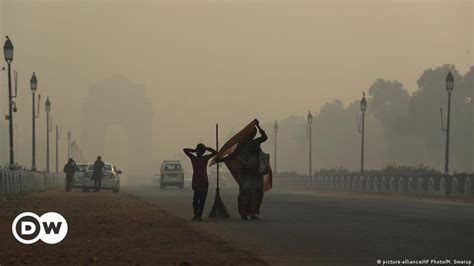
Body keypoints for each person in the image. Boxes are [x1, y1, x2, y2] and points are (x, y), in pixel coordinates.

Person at [223, 119, 267, 220]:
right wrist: (221, 159)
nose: (253, 134)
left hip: (256, 171)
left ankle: (253, 212)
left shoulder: (256, 142)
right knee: (245, 192)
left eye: (254, 133)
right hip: (246, 172)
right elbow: (233, 156)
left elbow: (265, 137)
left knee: (258, 191)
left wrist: (259, 126)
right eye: (252, 132)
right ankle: (243, 212)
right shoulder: (241, 145)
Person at [183, 143, 217, 221]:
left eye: (201, 151)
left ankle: (199, 215)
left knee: (202, 200)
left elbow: (215, 153)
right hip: (196, 182)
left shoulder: (205, 158)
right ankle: (196, 215)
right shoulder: (193, 158)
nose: (199, 152)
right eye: (198, 151)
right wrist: (194, 150)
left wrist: (207, 148)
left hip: (204, 182)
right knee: (196, 199)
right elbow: (185, 150)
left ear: (203, 152)